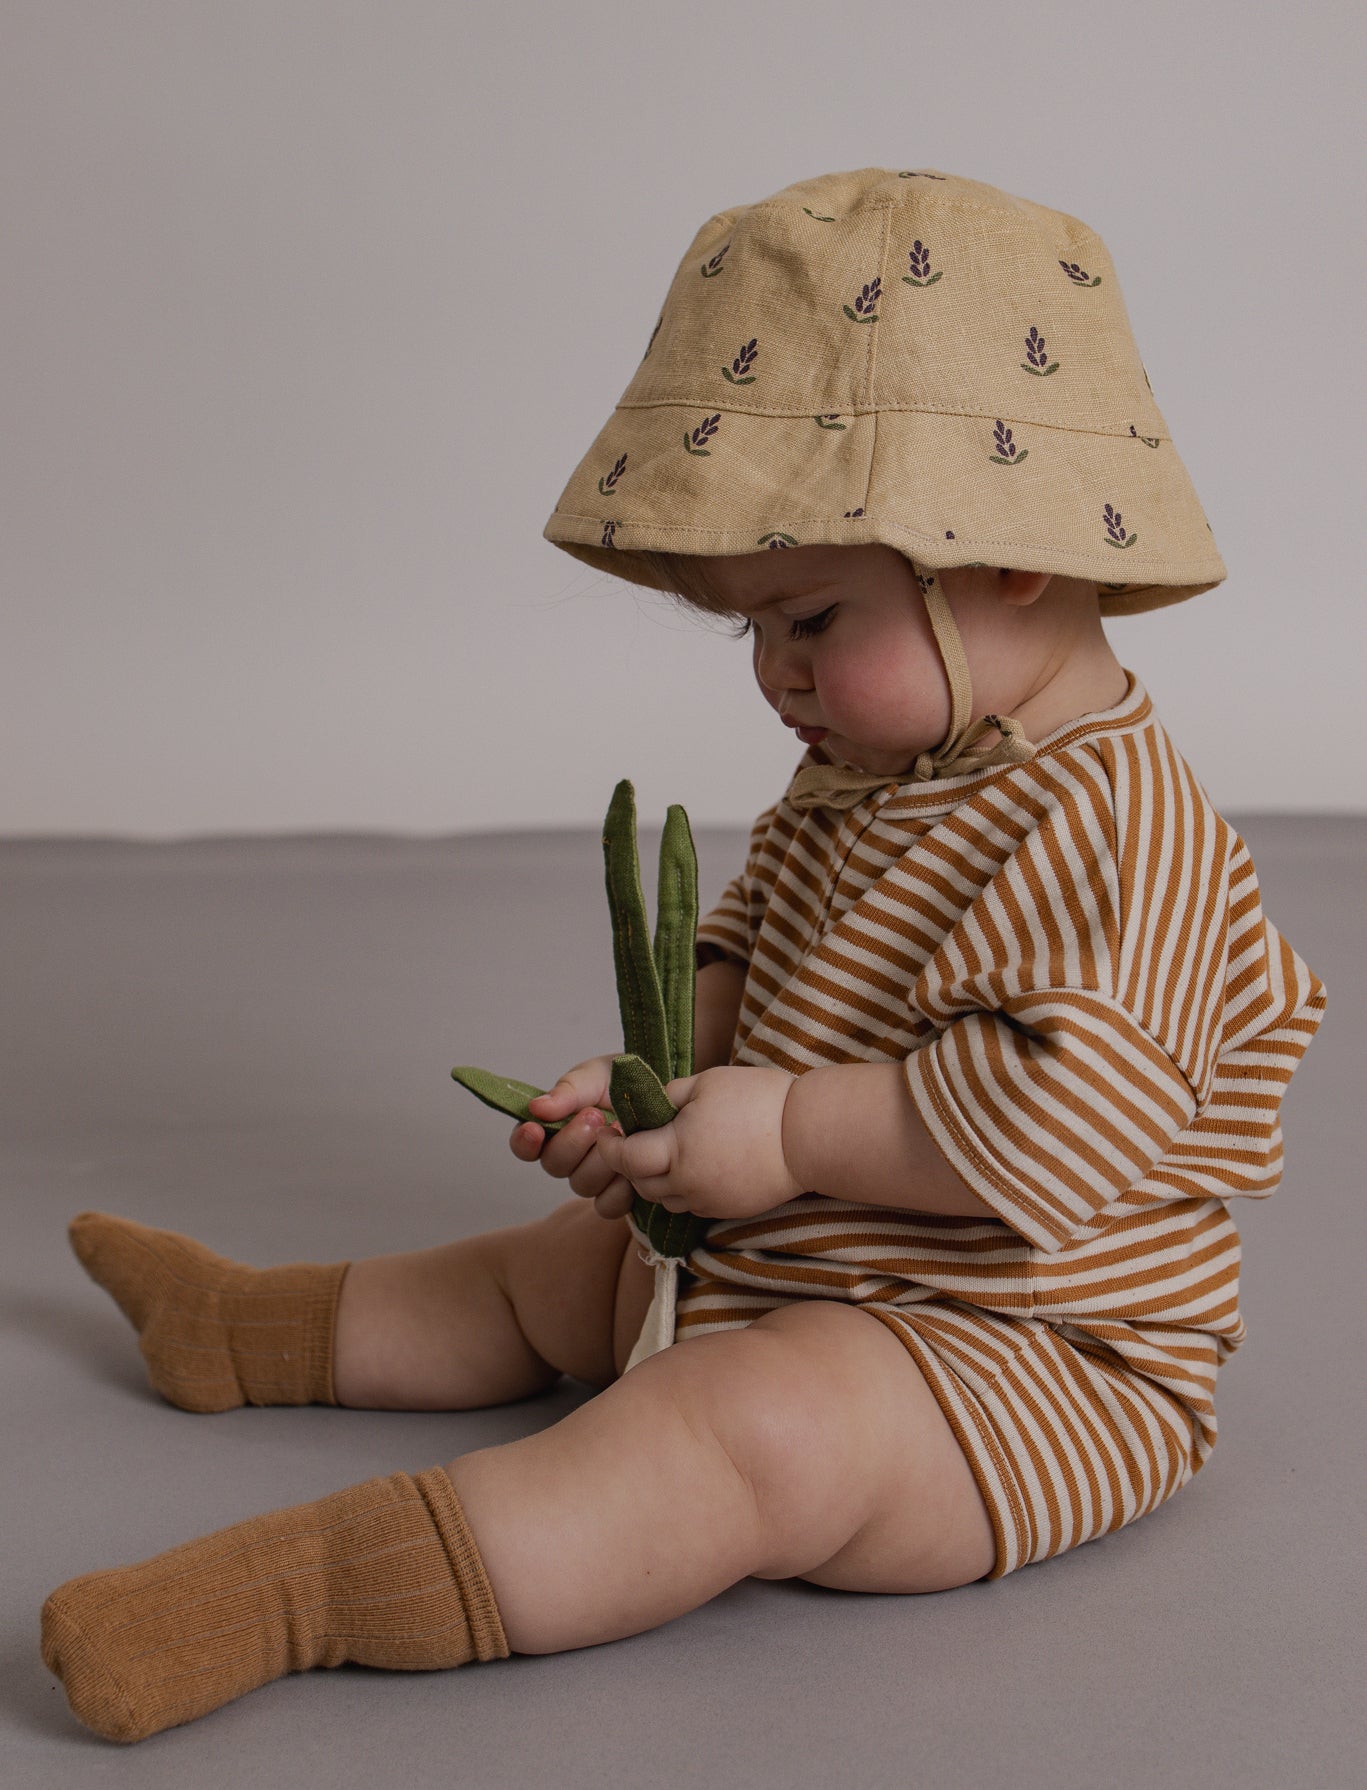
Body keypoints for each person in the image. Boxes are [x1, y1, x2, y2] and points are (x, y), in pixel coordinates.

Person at [40, 167, 1328, 1744]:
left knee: (747, 1429)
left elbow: (1063, 1126)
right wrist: (663, 1086)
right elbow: (754, 943)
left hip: (1019, 1348)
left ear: (1006, 560)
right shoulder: (877, 761)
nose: (776, 676)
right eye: (750, 632)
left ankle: (301, 1589)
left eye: (806, 618)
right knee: (572, 1269)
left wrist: (783, 1132)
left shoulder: (1123, 826)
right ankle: (250, 1329)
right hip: (805, 1244)